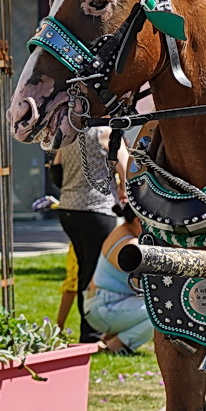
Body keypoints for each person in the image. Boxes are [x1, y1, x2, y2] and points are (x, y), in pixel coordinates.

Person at [53, 127, 124, 346]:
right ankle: (91, 334)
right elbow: (128, 170)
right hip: (98, 210)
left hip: (68, 210)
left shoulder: (67, 133)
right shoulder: (108, 134)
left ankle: (91, 330)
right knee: (94, 274)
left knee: (84, 269)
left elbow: (56, 174)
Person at [81, 208, 156, 353]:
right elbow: (145, 285)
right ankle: (117, 345)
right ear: (139, 221)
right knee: (161, 312)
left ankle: (107, 340)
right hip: (104, 308)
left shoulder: (121, 230)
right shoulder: (132, 246)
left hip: (101, 304)